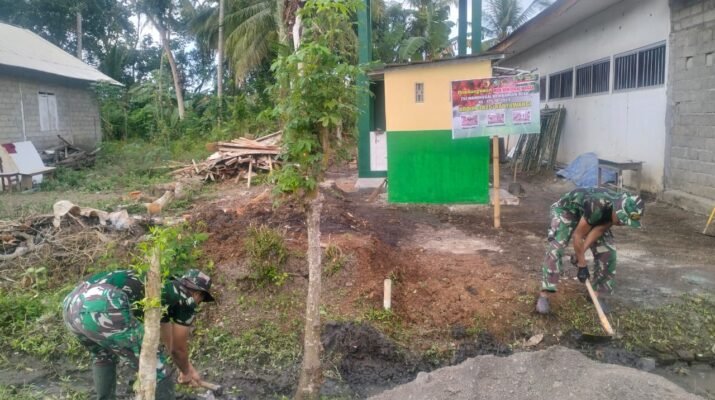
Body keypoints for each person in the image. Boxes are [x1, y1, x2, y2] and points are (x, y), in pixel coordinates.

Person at [62, 269, 216, 399]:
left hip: (72, 304)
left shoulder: (163, 287)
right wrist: (187, 372)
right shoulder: (186, 299)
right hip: (102, 301)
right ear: (198, 294)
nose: (198, 303)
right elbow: (178, 349)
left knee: (103, 355)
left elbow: (171, 345)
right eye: (201, 299)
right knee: (154, 364)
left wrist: (186, 368)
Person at [535, 188, 644, 314]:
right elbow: (578, 235)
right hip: (567, 210)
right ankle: (544, 294)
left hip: (591, 216)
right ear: (618, 209)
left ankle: (597, 294)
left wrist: (579, 254)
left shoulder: (621, 205)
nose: (621, 223)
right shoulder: (598, 204)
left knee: (608, 251)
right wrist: (582, 265)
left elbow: (599, 230)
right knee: (556, 247)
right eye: (621, 219)